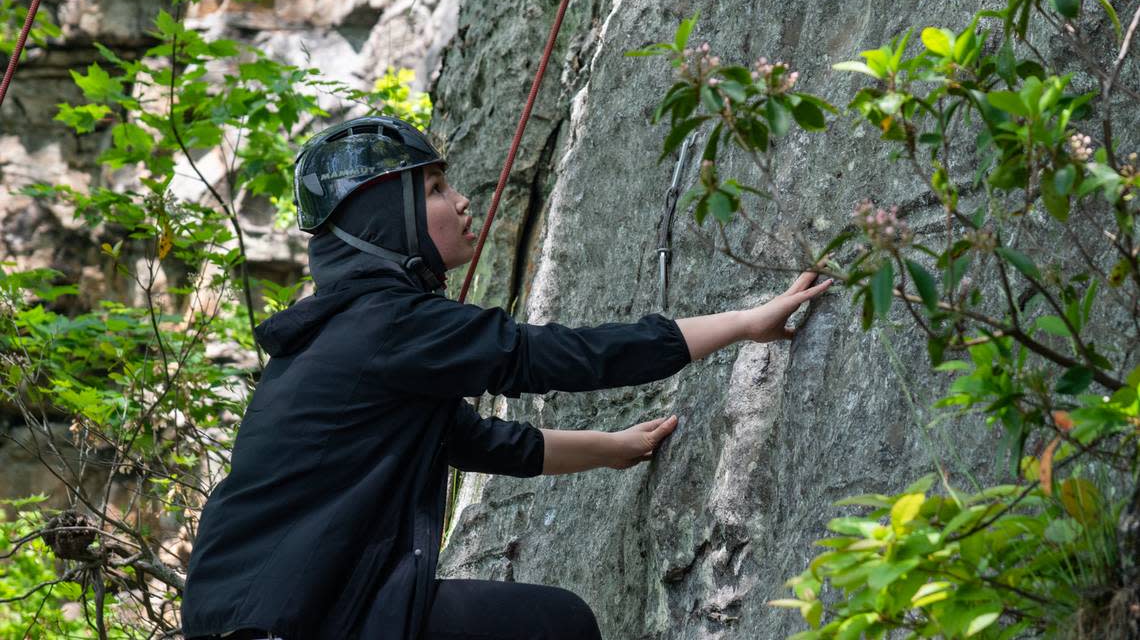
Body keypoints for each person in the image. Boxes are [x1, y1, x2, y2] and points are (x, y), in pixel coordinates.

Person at [180, 116, 831, 640]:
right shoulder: (387, 325)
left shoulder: (350, 333)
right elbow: (556, 356)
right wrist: (745, 323)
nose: (461, 201)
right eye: (434, 188)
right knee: (555, 625)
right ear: (384, 218)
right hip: (295, 620)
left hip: (269, 614)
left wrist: (618, 449)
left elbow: (484, 443)